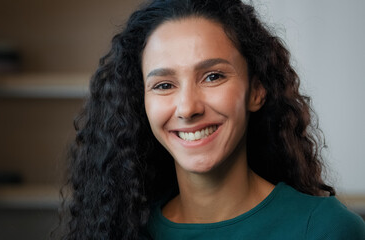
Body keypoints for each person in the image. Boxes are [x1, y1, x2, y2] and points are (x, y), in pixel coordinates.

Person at [63, 0, 365, 239]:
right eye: (164, 85)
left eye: (212, 76)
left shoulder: (327, 230)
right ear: (140, 102)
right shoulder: (120, 229)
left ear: (256, 90)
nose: (187, 108)